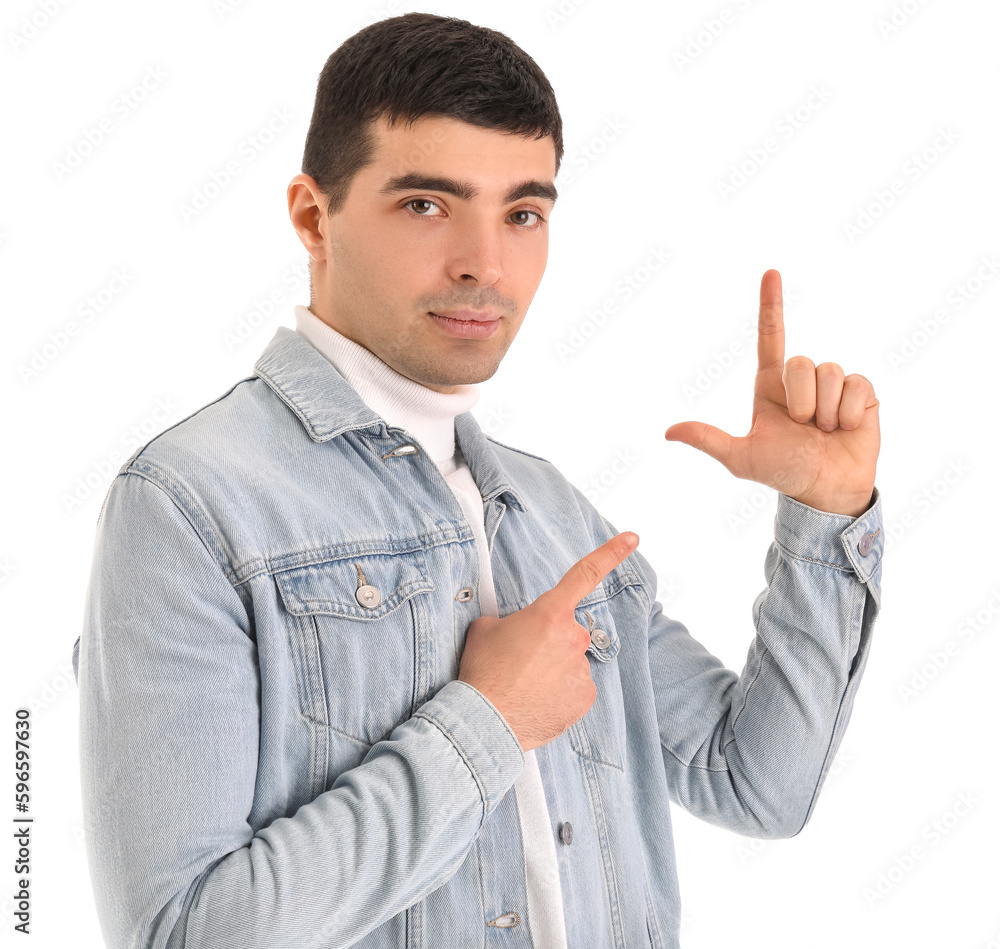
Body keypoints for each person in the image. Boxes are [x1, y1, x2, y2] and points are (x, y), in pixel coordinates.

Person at [72, 12, 883, 949]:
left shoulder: (552, 512)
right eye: (426, 204)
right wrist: (488, 721)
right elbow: (185, 932)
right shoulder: (187, 507)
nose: (485, 265)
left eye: (522, 214)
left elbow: (756, 785)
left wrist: (824, 519)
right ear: (312, 216)